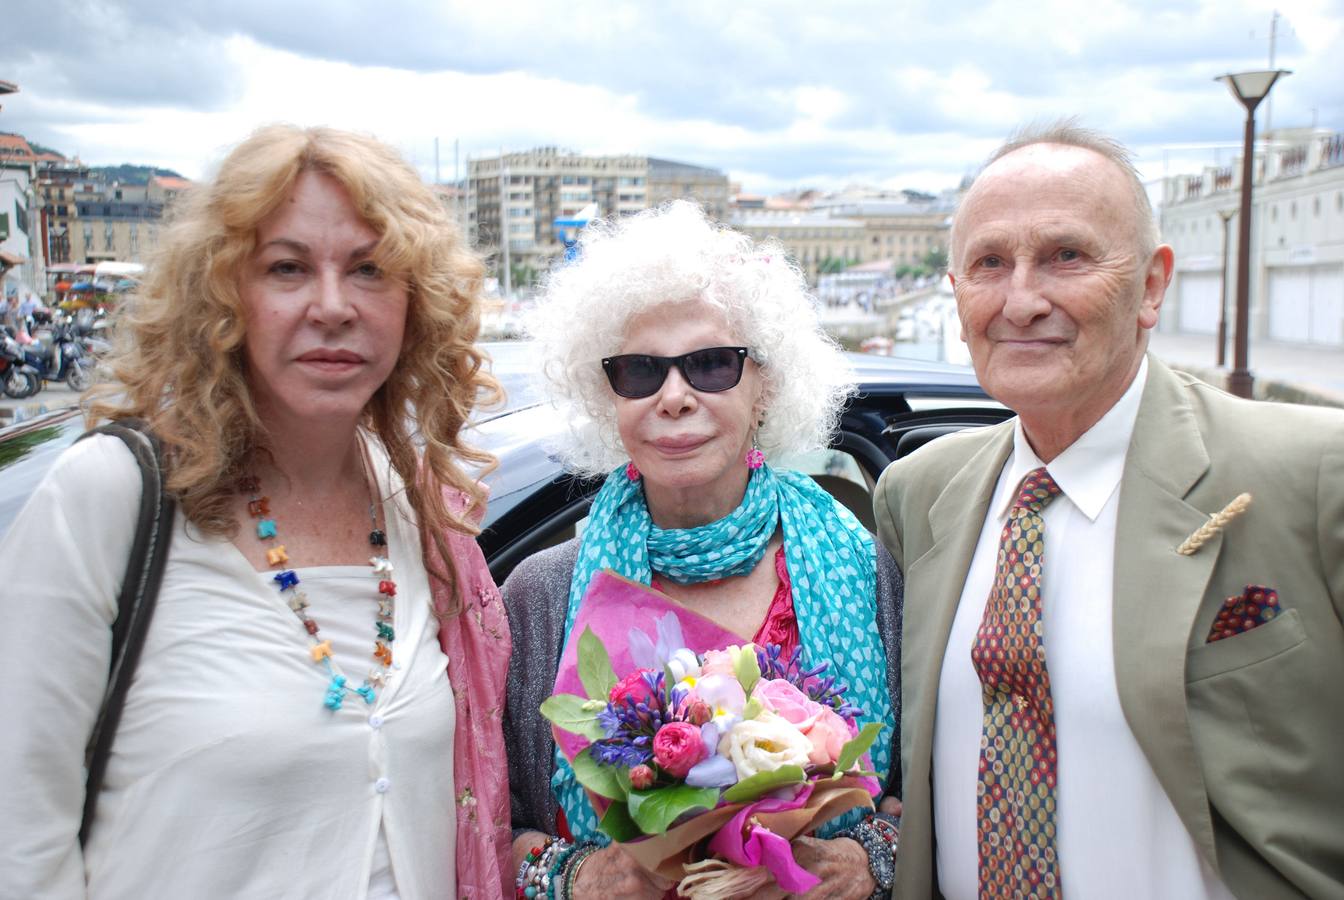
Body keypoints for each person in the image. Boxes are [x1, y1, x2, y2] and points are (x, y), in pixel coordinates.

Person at [0, 125, 513, 899]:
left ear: (417, 305)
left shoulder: (419, 509)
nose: (333, 306)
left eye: (371, 270)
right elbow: (18, 841)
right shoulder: (110, 497)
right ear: (222, 295)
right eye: (287, 268)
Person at [874, 121, 1344, 899]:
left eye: (1066, 255)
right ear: (956, 296)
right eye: (990, 263)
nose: (1022, 301)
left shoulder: (1311, 473)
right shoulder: (918, 494)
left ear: (1152, 285)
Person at [502, 201, 904, 899]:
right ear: (609, 395)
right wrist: (578, 878)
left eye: (712, 364)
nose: (675, 396)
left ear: (765, 383)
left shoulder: (872, 573)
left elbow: (940, 793)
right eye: (640, 371)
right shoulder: (538, 595)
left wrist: (868, 862)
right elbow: (483, 827)